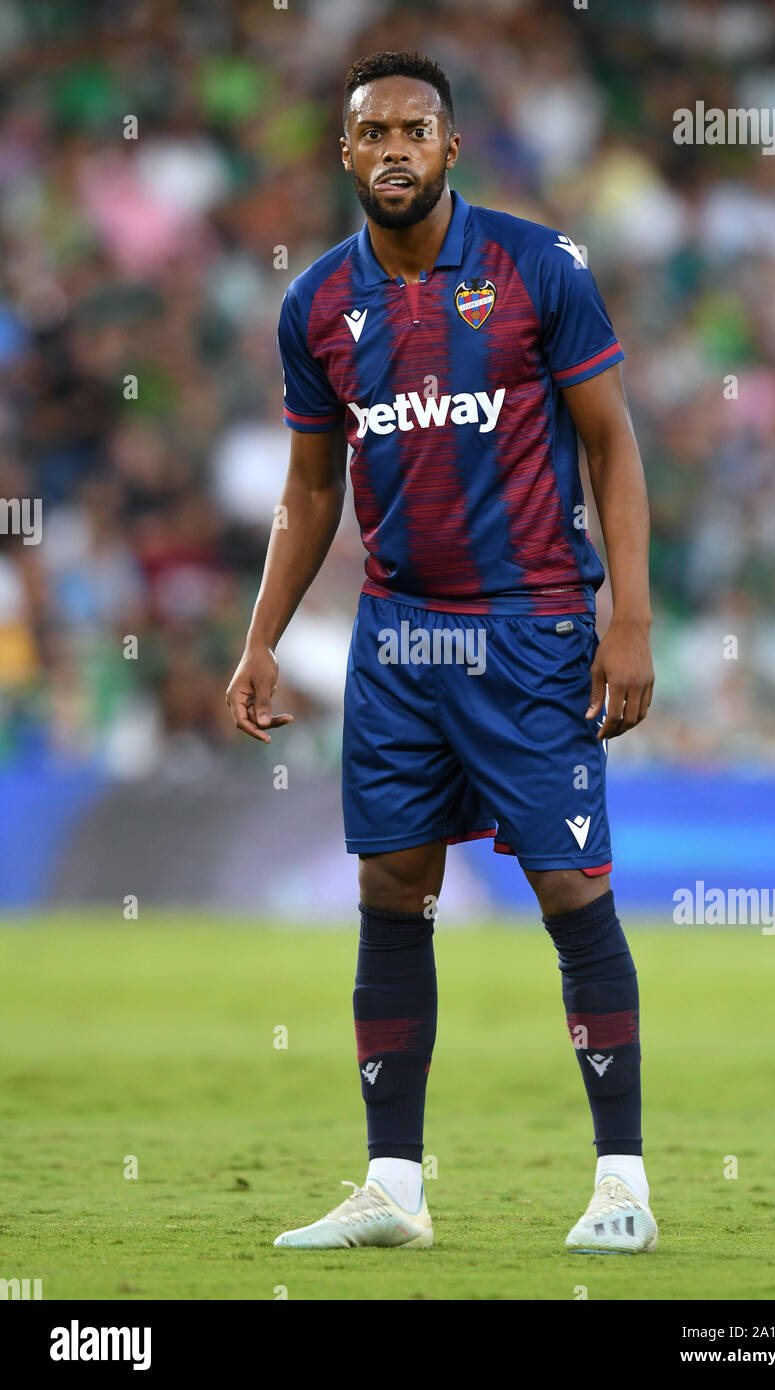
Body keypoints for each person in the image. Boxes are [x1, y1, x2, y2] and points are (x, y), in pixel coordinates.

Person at [226, 49, 656, 1254]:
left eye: (417, 128)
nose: (396, 148)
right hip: (399, 638)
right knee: (388, 890)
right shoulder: (316, 303)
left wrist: (628, 614)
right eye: (373, 132)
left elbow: (613, 446)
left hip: (531, 628)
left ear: (452, 147)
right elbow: (310, 489)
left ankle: (620, 1182)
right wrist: (261, 638)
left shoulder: (536, 268)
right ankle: (394, 1190)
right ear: (347, 153)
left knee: (570, 886)